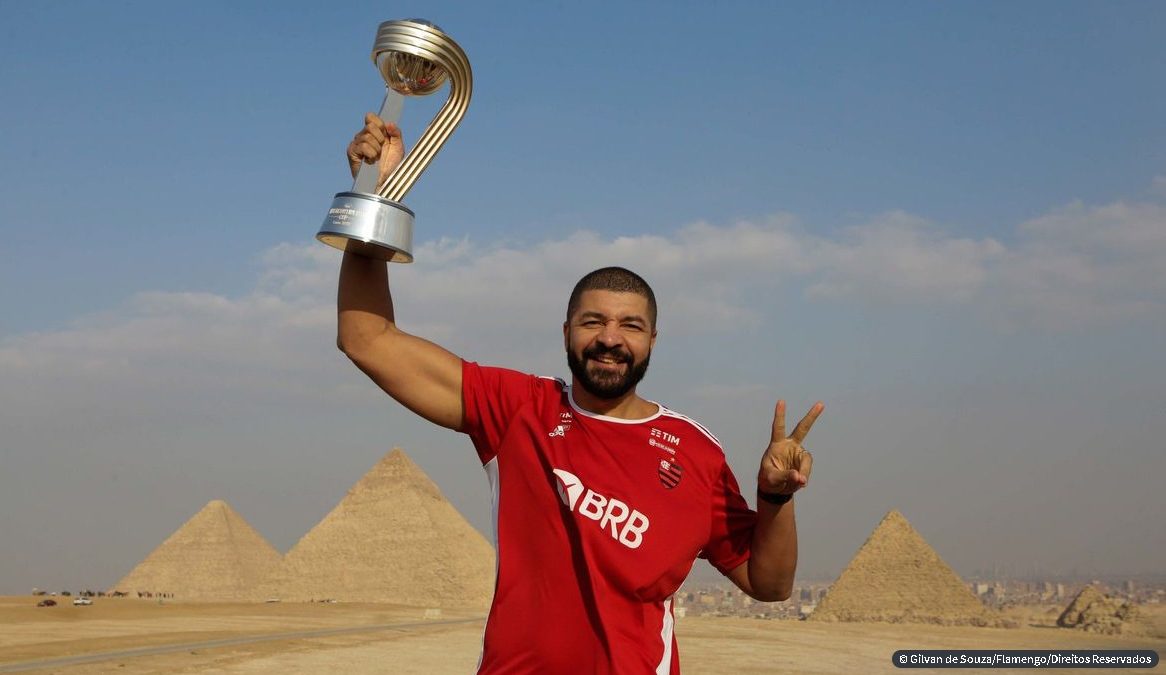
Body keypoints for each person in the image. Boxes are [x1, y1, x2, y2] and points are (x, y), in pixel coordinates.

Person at [337, 113, 823, 674]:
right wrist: (375, 192)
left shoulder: (696, 454)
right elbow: (366, 337)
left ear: (654, 340)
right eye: (593, 322)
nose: (610, 339)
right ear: (566, 331)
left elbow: (770, 584)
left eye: (630, 326)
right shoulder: (519, 409)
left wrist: (776, 499)